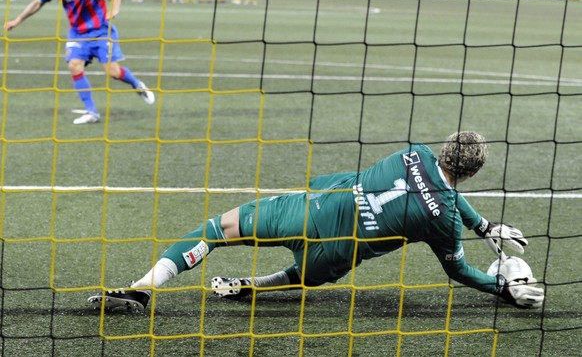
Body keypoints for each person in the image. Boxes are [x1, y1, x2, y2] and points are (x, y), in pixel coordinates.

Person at [88, 132, 545, 311]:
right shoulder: (444, 220)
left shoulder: (416, 153)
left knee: (215, 231)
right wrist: (500, 287)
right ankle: (253, 285)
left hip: (313, 208)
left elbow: (438, 186)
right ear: (473, 173)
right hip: (338, 252)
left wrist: (484, 225)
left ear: (444, 147)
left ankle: (145, 286)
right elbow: (458, 269)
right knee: (299, 278)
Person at [4, 0, 155, 125]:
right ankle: (92, 113)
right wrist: (17, 20)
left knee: (113, 72)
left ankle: (137, 85)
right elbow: (38, 2)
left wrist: (115, 9)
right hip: (77, 34)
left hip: (100, 31)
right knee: (75, 66)